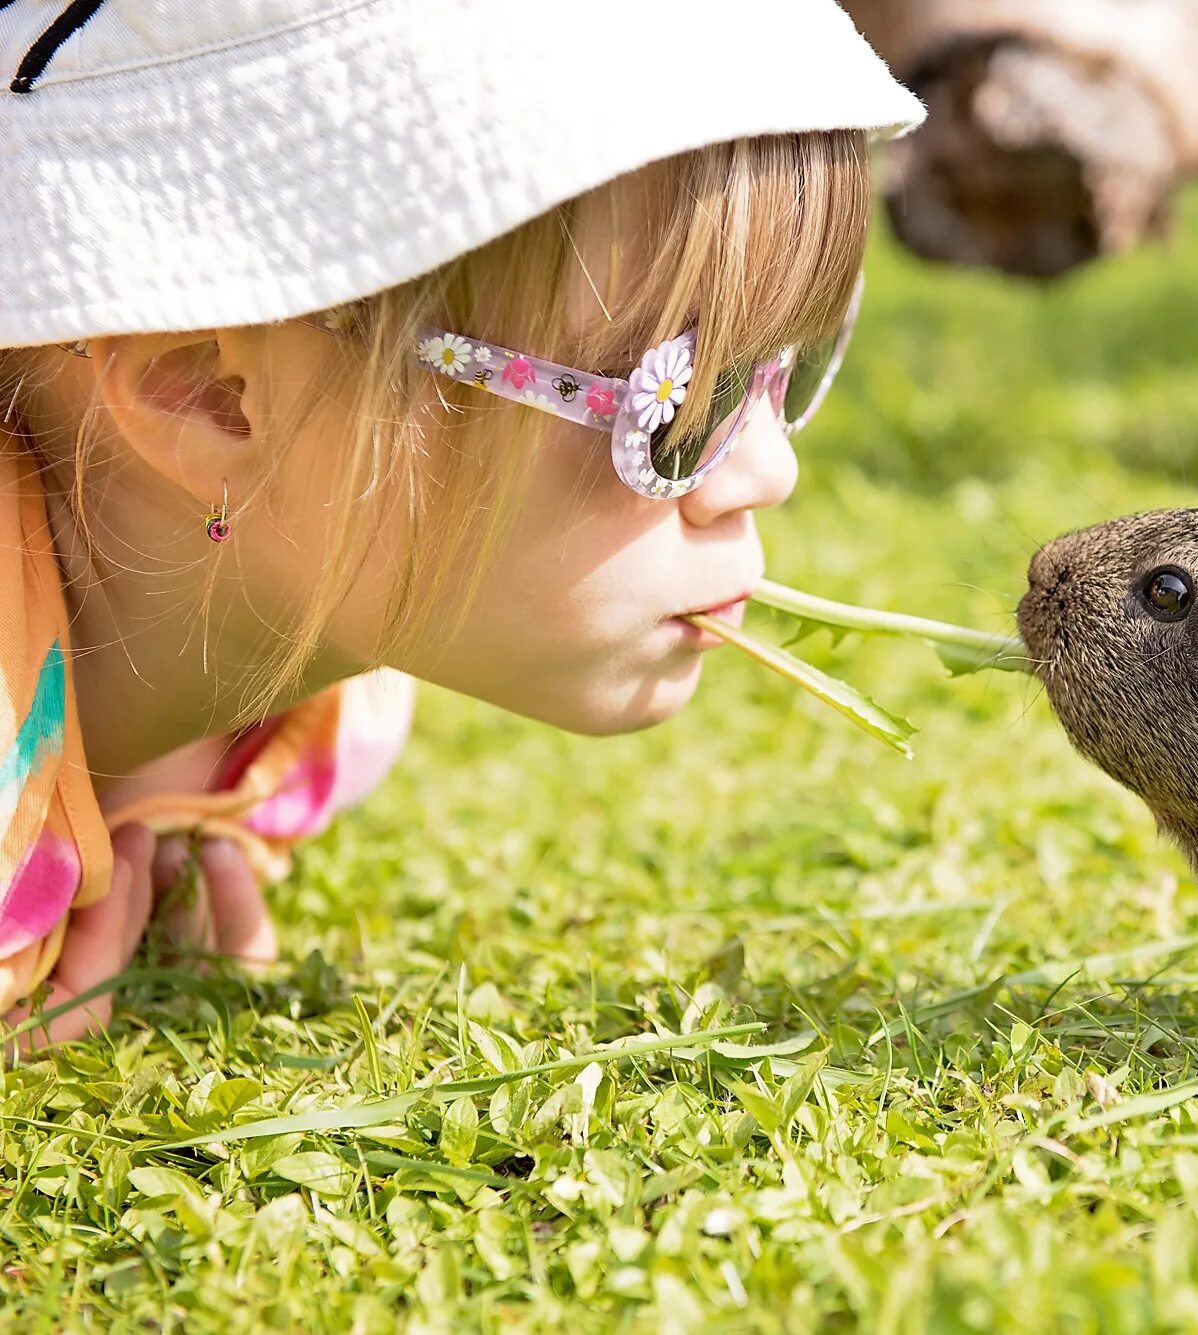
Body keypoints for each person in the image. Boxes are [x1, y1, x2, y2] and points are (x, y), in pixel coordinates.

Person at [0, 0, 922, 1045]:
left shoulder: (332, 710)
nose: (770, 470)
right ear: (208, 391)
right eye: (673, 404)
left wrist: (139, 819)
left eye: (785, 367)